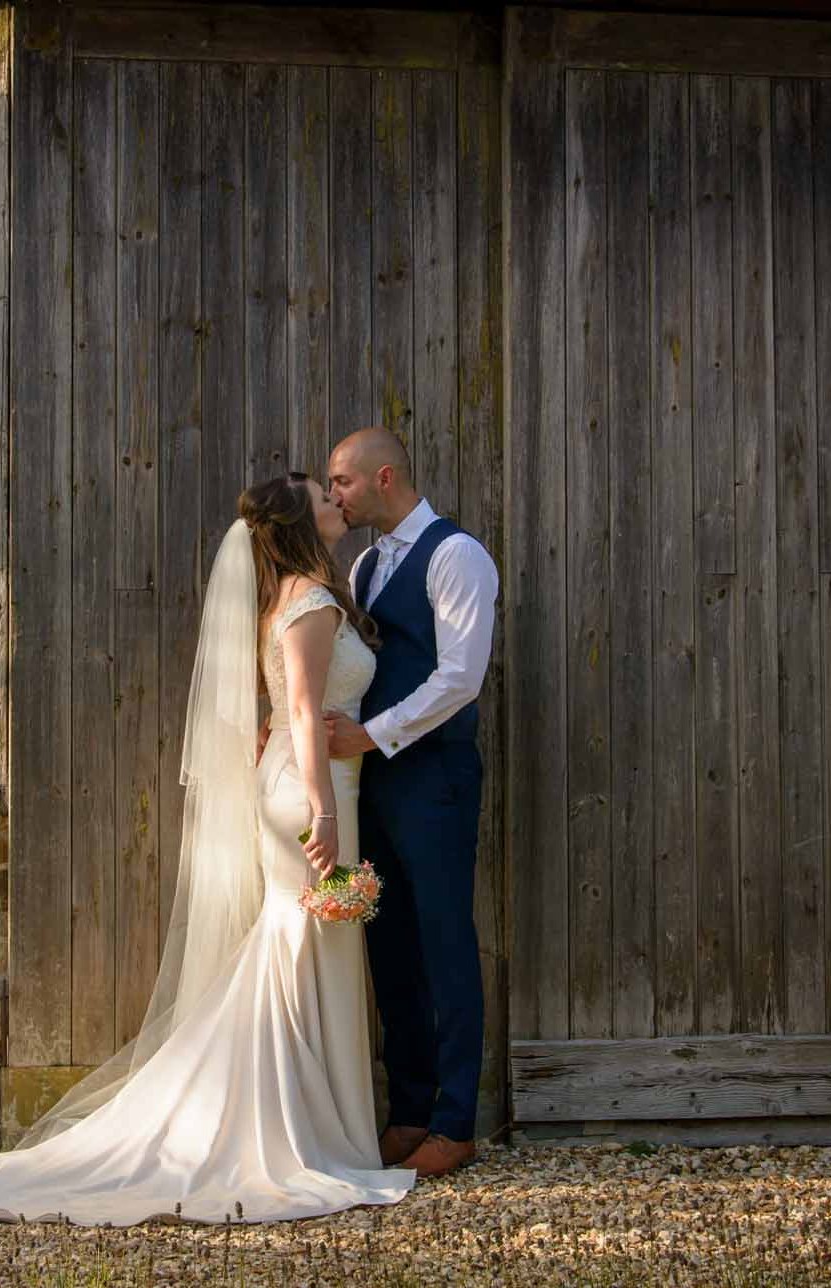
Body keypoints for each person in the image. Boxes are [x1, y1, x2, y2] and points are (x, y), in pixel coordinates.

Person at [0, 472, 417, 1226]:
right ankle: (294, 1131)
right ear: (298, 525)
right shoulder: (309, 604)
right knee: (302, 947)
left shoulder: (298, 598)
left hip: (301, 778)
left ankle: (309, 1123)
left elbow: (279, 706)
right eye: (321, 496)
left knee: (304, 950)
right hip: (310, 788)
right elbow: (307, 714)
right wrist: (322, 810)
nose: (334, 502)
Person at [325, 427, 499, 1180]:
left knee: (444, 942)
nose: (335, 496)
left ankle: (456, 1123)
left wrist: (370, 735)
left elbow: (461, 677)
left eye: (343, 482)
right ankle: (410, 1110)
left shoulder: (457, 555)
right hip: (375, 780)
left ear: (384, 476)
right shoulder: (363, 564)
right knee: (388, 942)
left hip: (436, 778)